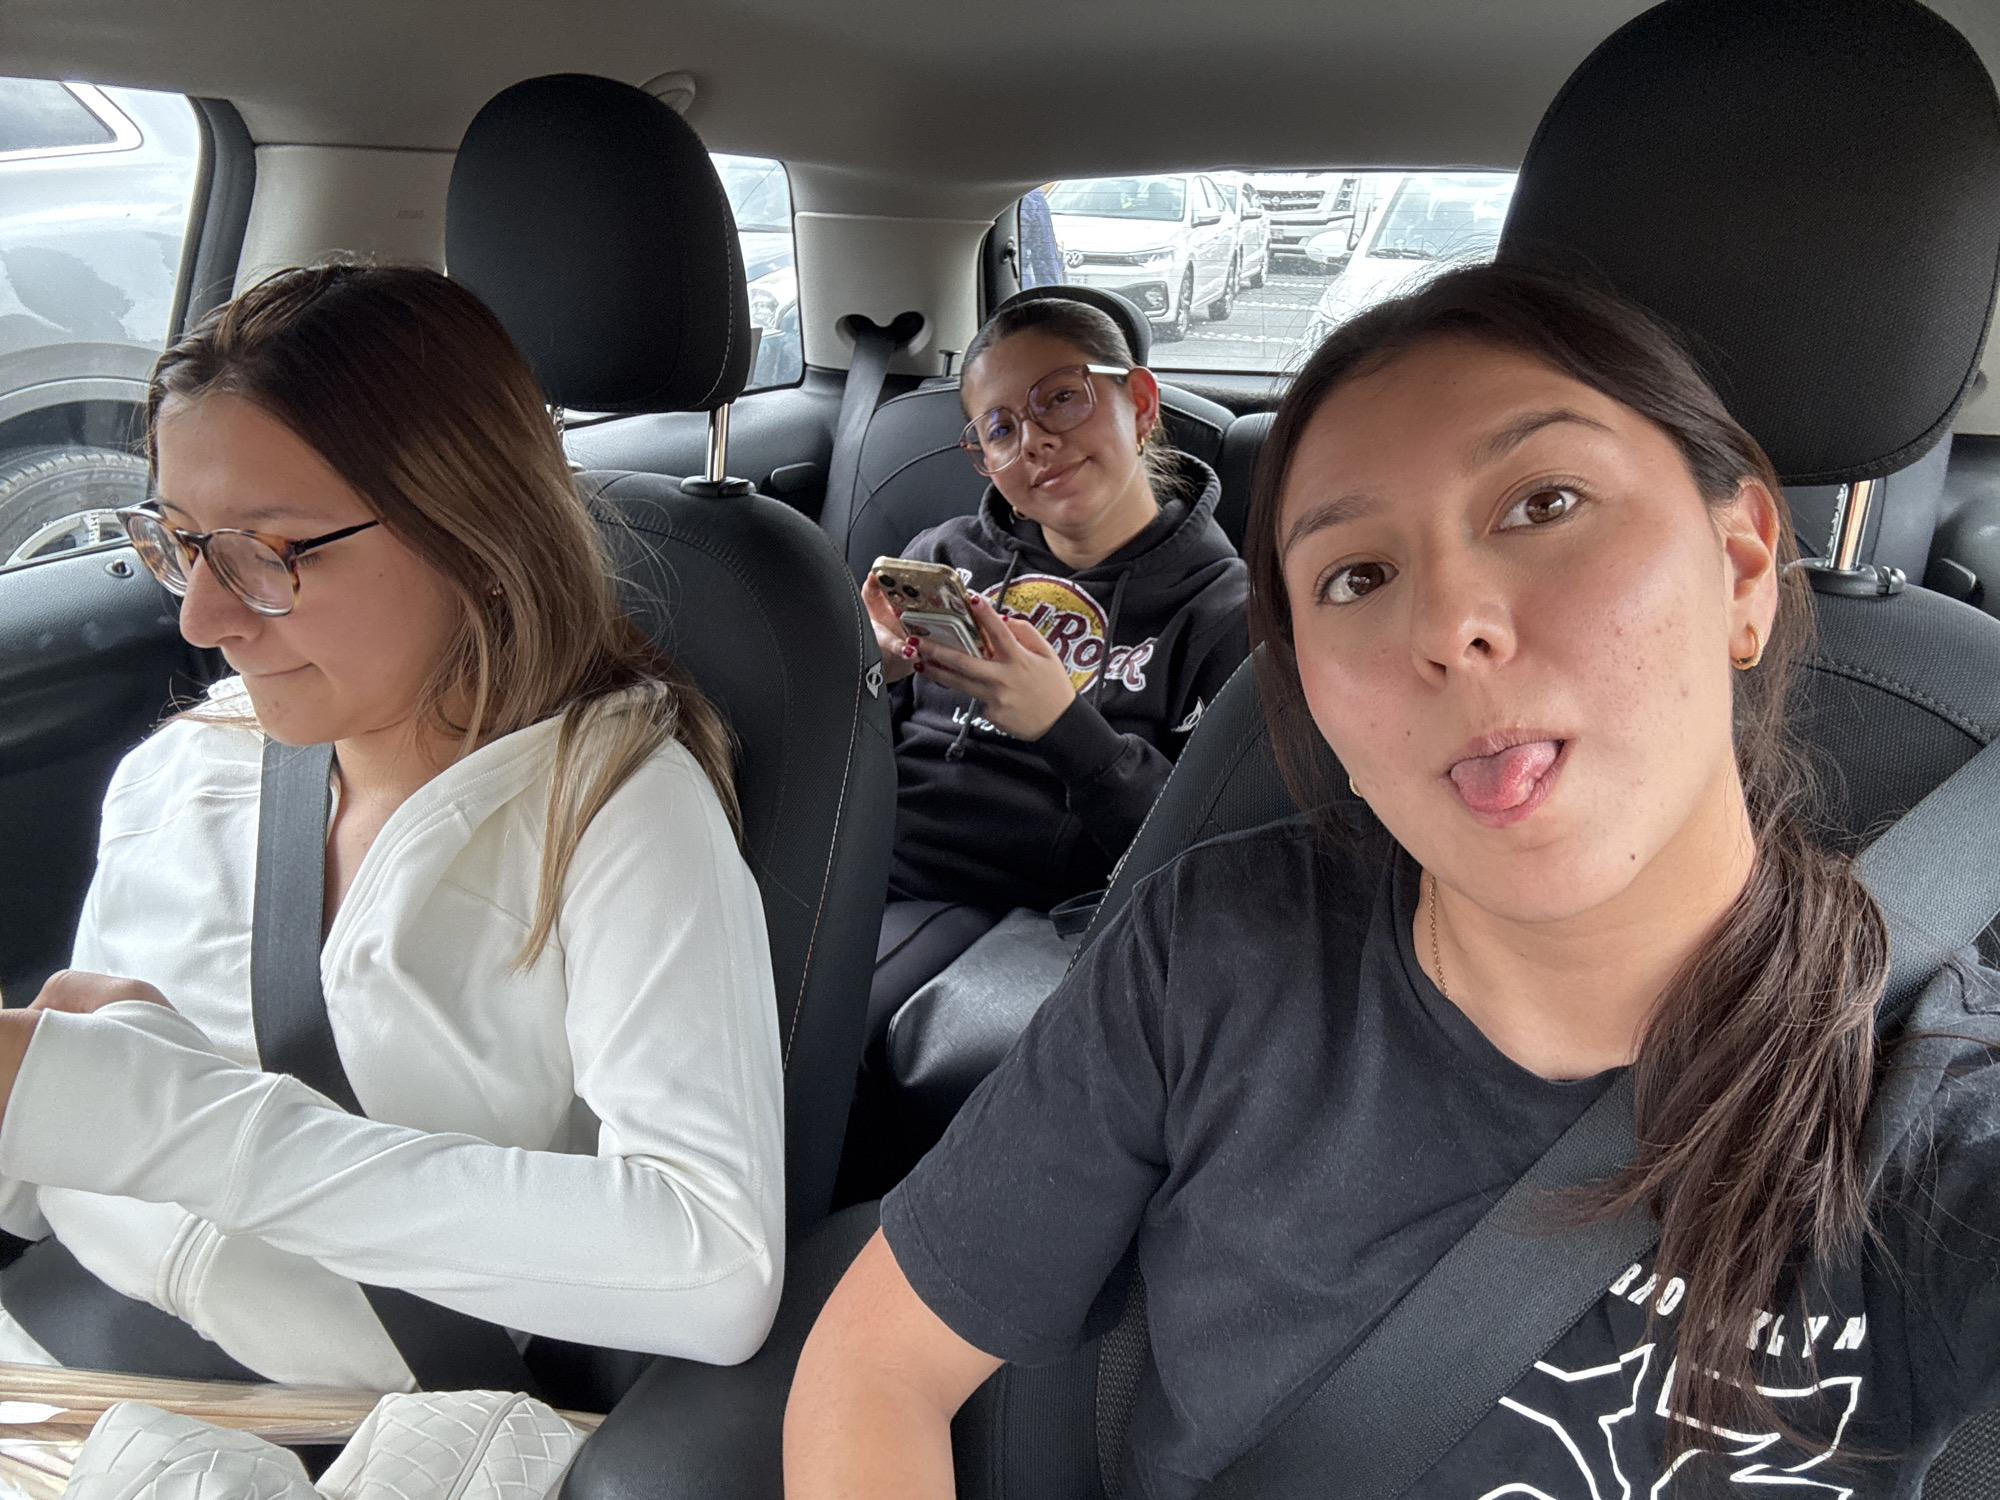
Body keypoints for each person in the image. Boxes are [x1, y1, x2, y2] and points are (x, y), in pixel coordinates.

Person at [786, 263, 2000, 1497]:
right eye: (1355, 577)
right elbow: (874, 1364)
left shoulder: (1937, 1114)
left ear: (1739, 567)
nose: (1449, 626)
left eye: (1543, 503)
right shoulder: (1208, 955)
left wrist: (1066, 729)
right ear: (1311, 688)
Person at [0, 264, 786, 1396]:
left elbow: (715, 1265)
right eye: (179, 539)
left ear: (474, 537)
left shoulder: (611, 811)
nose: (202, 618)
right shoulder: (180, 771)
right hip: (51, 1363)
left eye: (269, 552)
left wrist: (163, 1115)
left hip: (329, 1443)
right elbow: (68, 1168)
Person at [858, 295, 1247, 1101]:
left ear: (1141, 404)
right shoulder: (943, 556)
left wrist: (1065, 727)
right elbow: (846, 759)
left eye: (1062, 398)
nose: (1033, 440)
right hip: (867, 866)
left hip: (1036, 914)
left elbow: (1208, 852)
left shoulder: (1222, 612)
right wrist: (872, 673)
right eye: (999, 429)